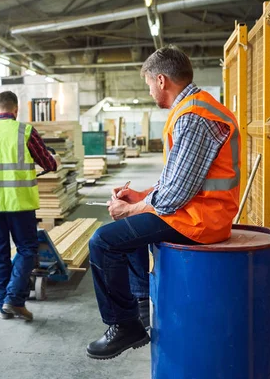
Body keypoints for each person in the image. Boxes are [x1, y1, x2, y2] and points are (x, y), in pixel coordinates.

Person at [86, 45, 241, 360]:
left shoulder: (194, 116)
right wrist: (141, 197)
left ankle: (124, 324)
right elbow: (177, 180)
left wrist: (130, 209)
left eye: (147, 84)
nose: (148, 91)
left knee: (103, 242)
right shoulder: (192, 110)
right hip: (196, 212)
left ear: (161, 80)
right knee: (126, 230)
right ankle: (142, 303)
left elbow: (175, 196)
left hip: (201, 221)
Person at [0, 91, 59, 321]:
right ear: (16, 110)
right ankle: (13, 299)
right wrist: (54, 160)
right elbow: (48, 163)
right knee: (26, 250)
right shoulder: (25, 131)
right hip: (19, 203)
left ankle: (3, 305)